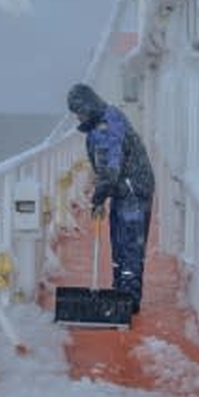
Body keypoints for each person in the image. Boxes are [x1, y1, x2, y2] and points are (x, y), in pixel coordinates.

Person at [66, 83, 155, 314]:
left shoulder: (107, 127)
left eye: (79, 111)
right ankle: (120, 292)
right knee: (118, 242)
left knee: (129, 246)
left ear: (88, 106)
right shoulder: (100, 122)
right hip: (121, 190)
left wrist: (98, 198)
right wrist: (97, 189)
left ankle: (129, 299)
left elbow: (110, 171)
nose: (77, 117)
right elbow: (102, 166)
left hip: (133, 190)